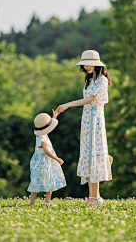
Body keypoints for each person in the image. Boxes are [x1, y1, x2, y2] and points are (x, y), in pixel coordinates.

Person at [56, 50, 113, 206]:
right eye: (84, 64)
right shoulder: (89, 80)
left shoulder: (101, 80)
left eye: (88, 64)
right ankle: (92, 197)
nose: (86, 67)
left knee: (94, 151)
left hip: (95, 119)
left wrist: (68, 104)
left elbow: (90, 99)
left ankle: (96, 197)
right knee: (88, 153)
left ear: (96, 64)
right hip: (87, 119)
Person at [27, 109, 66, 207]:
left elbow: (47, 126)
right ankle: (32, 203)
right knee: (36, 181)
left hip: (47, 162)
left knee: (50, 178)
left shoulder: (43, 133)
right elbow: (47, 151)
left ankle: (47, 201)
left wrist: (54, 117)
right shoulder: (42, 138)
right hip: (41, 162)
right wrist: (57, 158)